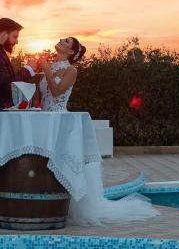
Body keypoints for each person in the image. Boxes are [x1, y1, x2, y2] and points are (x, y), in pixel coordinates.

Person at [39, 37, 161, 225]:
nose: (61, 41)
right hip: (43, 121)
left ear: (71, 52)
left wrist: (46, 70)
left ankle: (64, 204)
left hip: (60, 122)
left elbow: (57, 92)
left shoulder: (71, 70)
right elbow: (43, 95)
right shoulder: (51, 65)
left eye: (66, 42)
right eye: (63, 39)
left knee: (61, 161)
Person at [0, 18, 37, 222]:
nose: (16, 42)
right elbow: (7, 85)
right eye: (14, 37)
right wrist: (28, 70)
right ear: (3, 34)